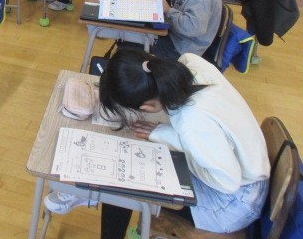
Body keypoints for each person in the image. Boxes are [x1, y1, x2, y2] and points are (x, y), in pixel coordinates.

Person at [45, 49, 270, 238]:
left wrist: (174, 141)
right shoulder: (189, 63)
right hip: (243, 168)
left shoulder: (192, 121)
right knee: (140, 152)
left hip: (233, 203)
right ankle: (94, 189)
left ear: (147, 107)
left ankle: (96, 191)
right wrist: (169, 137)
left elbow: (228, 182)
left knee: (126, 182)